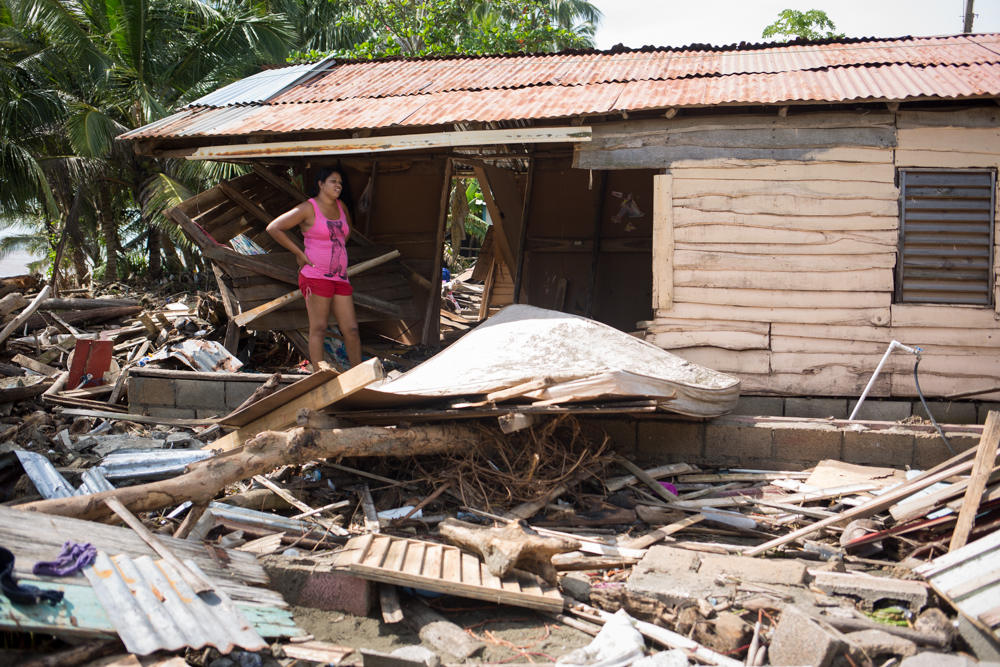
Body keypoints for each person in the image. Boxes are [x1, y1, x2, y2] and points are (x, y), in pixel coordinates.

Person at [266, 168, 361, 371]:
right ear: (320, 184)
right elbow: (274, 228)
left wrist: (336, 248)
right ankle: (319, 377)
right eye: (333, 181)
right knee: (318, 328)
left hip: (340, 277)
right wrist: (300, 253)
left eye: (340, 183)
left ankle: (360, 376)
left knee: (351, 329)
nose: (338, 185)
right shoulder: (308, 208)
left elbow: (348, 229)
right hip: (316, 276)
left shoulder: (341, 205)